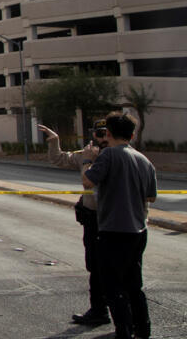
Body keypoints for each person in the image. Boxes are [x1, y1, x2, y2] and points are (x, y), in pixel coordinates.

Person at [82, 112, 157, 339]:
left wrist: (87, 159)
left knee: (113, 286)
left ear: (109, 133)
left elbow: (88, 181)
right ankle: (142, 328)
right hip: (138, 230)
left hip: (113, 230)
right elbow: (151, 197)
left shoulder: (108, 156)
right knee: (134, 284)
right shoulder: (144, 160)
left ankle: (123, 330)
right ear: (133, 134)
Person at [39, 122, 110, 327]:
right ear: (94, 135)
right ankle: (99, 310)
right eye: (99, 134)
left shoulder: (116, 156)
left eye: (107, 134)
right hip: (93, 219)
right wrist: (55, 141)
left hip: (113, 219)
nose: (103, 138)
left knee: (114, 269)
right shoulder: (86, 154)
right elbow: (59, 159)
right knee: (95, 268)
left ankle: (126, 319)